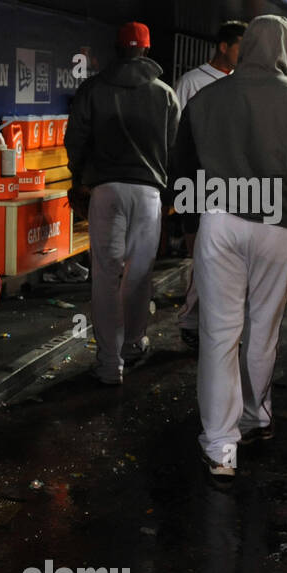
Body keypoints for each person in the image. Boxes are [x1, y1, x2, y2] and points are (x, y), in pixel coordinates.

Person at [169, 15, 287, 481]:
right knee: (262, 332)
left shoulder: (205, 97)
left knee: (220, 335)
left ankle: (220, 447)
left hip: (218, 221)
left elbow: (183, 167)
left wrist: (190, 225)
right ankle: (255, 418)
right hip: (278, 228)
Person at [65, 21, 179, 385]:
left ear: (116, 48)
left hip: (105, 190)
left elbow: (76, 141)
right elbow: (177, 150)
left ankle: (109, 364)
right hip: (148, 194)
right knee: (139, 274)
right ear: (146, 50)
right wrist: (173, 195)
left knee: (105, 276)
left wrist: (79, 180)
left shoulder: (92, 88)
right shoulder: (164, 93)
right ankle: (132, 344)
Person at [173, 20, 246, 352]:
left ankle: (209, 325)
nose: (243, 53)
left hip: (228, 186)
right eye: (239, 45)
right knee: (201, 258)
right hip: (197, 182)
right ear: (223, 46)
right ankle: (191, 321)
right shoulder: (192, 81)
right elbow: (176, 139)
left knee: (223, 261)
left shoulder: (241, 84)